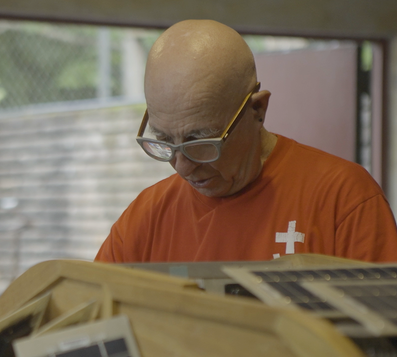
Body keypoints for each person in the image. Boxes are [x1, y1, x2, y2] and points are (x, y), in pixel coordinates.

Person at [95, 19, 397, 264]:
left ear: (257, 110)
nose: (183, 167)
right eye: (164, 140)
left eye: (201, 140)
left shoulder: (343, 200)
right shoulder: (145, 220)